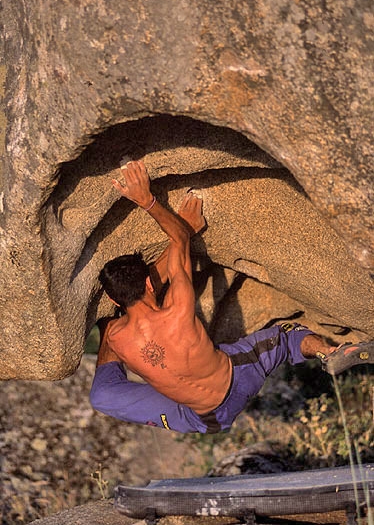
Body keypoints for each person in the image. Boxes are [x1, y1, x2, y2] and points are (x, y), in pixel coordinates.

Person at [90, 160, 373, 434]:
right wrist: (147, 200)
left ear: (115, 302)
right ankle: (330, 354)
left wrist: (110, 317)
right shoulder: (178, 308)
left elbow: (129, 316)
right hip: (240, 376)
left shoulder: (115, 338)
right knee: (287, 338)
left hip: (205, 420)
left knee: (102, 395)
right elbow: (179, 240)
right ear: (151, 284)